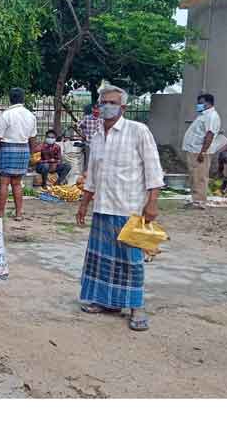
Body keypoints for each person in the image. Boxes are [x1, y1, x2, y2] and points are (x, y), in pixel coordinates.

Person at [76, 85, 165, 332]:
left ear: (123, 107)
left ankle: (137, 306)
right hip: (103, 207)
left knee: (130, 260)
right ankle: (107, 302)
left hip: (130, 208)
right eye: (103, 102)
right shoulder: (96, 137)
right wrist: (84, 203)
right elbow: (92, 176)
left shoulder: (138, 132)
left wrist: (153, 202)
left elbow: (153, 170)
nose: (107, 106)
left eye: (113, 102)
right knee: (103, 260)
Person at [0, 88, 37, 221]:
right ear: (23, 99)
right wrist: (31, 154)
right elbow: (32, 138)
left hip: (7, 149)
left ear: (10, 99)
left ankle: (0, 213)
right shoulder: (30, 115)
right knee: (17, 184)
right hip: (23, 149)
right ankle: (18, 214)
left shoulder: (6, 115)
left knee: (4, 184)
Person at [182, 93, 221, 209]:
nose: (198, 105)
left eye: (200, 102)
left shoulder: (212, 116)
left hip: (200, 152)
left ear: (208, 103)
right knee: (194, 175)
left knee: (200, 176)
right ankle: (195, 200)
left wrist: (202, 152)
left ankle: (199, 202)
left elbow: (210, 135)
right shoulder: (203, 115)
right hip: (194, 150)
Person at [78, 104, 103, 172]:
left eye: (98, 111)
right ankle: (86, 177)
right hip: (88, 143)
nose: (96, 112)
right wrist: (83, 134)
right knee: (88, 161)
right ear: (92, 110)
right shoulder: (87, 118)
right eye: (95, 110)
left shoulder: (102, 119)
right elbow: (79, 126)